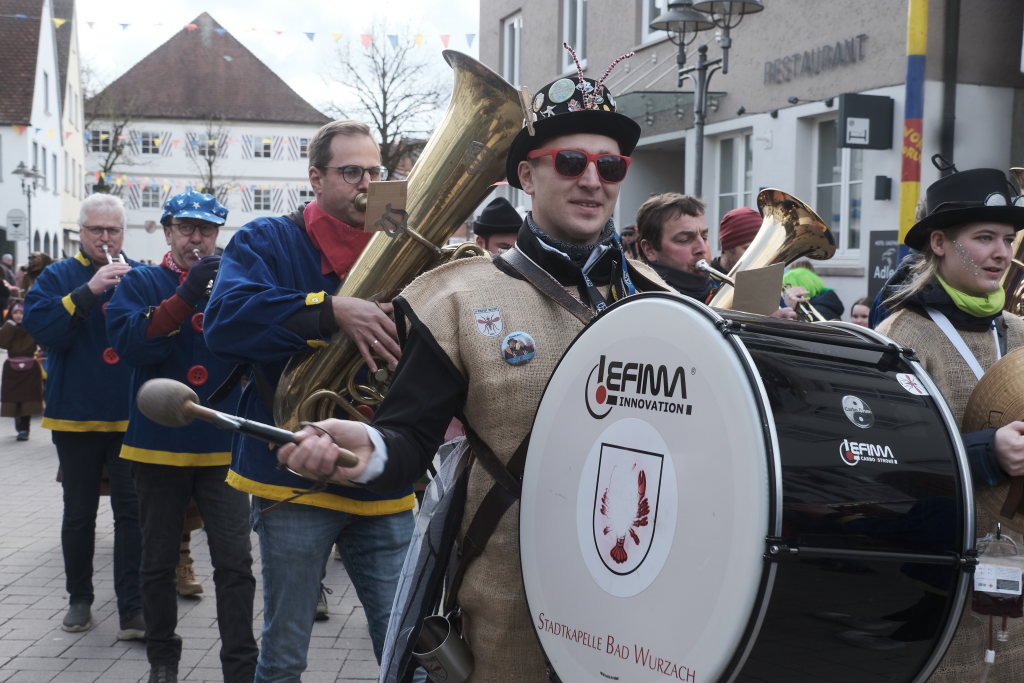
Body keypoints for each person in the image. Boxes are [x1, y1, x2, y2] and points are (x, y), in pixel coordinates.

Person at [275, 65, 668, 681]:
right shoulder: (456, 298)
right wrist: (368, 450)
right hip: (510, 611)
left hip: (637, 611)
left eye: (610, 166)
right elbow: (409, 440)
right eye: (571, 162)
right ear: (527, 176)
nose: (593, 180)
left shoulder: (662, 303)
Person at [204, 119, 412, 682]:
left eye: (374, 172)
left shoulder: (401, 238)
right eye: (351, 172)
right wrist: (330, 309)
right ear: (316, 178)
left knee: (405, 647)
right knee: (285, 653)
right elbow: (224, 321)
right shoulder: (267, 238)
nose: (367, 184)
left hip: (383, 474)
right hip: (292, 476)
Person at [876, 167, 1024, 681]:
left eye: (1007, 238)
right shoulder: (899, 337)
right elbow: (888, 460)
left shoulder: (1020, 332)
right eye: (984, 238)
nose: (1001, 253)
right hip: (942, 573)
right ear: (938, 243)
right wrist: (986, 452)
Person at [106, 190, 257, 683]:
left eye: (207, 230)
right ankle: (163, 661)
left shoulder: (234, 283)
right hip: (157, 445)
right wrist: (185, 295)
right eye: (187, 228)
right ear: (168, 231)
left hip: (221, 447)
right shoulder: (142, 281)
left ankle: (240, 667)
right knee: (156, 563)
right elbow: (131, 345)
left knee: (235, 565)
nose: (197, 239)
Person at [22, 193, 144, 638]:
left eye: (113, 230)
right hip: (75, 414)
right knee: (79, 514)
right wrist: (88, 292)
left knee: (132, 515)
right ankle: (80, 599)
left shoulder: (140, 275)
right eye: (97, 230)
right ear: (82, 232)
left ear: (123, 233)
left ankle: (132, 607)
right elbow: (43, 329)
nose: (105, 238)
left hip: (130, 416)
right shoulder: (57, 275)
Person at [636, 193, 798, 318]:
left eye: (705, 237)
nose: (702, 248)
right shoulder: (640, 301)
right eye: (684, 239)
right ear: (650, 250)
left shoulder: (721, 288)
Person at [0, 301, 43, 440]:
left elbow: (43, 342)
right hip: (12, 368)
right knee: (14, 399)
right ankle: (19, 426)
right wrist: (10, 326)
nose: (18, 316)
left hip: (30, 368)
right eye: (15, 313)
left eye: (21, 313)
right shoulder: (9, 327)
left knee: (28, 399)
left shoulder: (32, 327)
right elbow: (3, 343)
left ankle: (24, 429)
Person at [711, 206, 761, 273]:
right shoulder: (705, 278)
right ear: (728, 248)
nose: (756, 256)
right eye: (748, 248)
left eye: (759, 248)